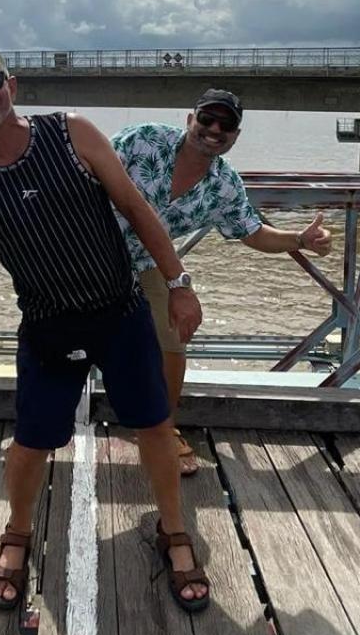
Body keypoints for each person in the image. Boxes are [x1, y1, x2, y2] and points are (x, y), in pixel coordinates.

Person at [0, 41, 212, 613]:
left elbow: (134, 206)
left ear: (13, 85)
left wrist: (179, 284)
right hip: (48, 327)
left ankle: (174, 531)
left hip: (119, 312)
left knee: (154, 426)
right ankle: (18, 533)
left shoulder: (71, 133)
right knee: (30, 442)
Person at [113, 88, 332, 475]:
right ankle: (45, 424)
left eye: (226, 124)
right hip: (86, 251)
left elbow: (251, 232)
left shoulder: (225, 185)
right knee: (62, 334)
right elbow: (81, 172)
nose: (214, 129)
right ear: (189, 119)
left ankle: (163, 428)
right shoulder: (143, 140)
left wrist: (300, 239)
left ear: (235, 135)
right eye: (207, 119)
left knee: (175, 331)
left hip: (146, 262)